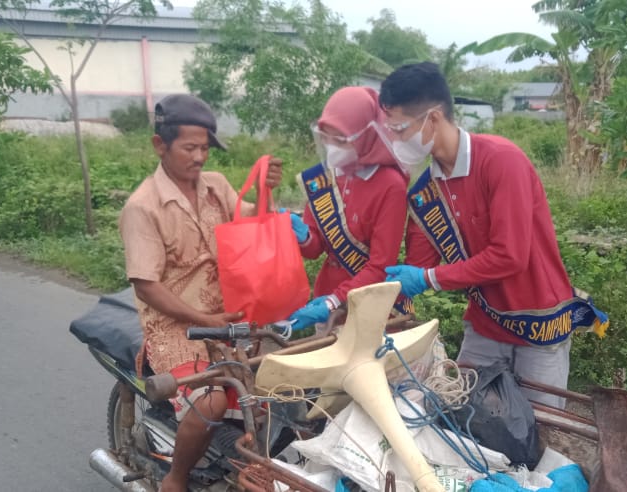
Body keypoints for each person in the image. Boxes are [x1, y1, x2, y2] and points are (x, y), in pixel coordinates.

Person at [379, 63, 607, 408]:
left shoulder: (501, 161)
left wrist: (428, 278)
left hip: (538, 325)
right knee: (469, 420)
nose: (395, 139)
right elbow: (417, 267)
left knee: (541, 428)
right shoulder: (425, 193)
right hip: (486, 323)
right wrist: (376, 305)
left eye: (399, 128)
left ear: (434, 118)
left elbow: (509, 255)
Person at [117, 94, 282, 492]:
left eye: (205, 148)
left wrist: (264, 189)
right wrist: (203, 320)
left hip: (229, 316)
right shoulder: (143, 207)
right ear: (161, 146)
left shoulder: (218, 187)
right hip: (175, 327)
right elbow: (146, 285)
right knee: (210, 399)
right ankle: (175, 478)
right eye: (190, 148)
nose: (200, 157)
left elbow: (253, 227)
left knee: (283, 380)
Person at [285, 86, 412, 330]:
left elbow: (380, 266)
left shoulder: (390, 185)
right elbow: (315, 248)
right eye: (326, 137)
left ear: (364, 135)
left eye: (340, 139)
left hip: (367, 307)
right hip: (324, 302)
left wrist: (336, 300)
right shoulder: (324, 178)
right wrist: (303, 237)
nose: (331, 147)